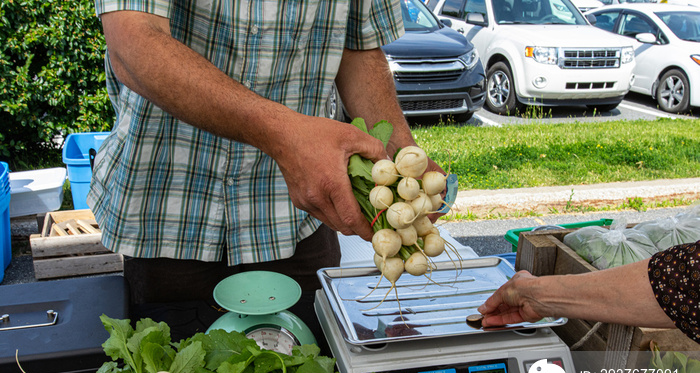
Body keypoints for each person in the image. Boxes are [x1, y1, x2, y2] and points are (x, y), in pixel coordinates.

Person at [88, 0, 445, 339]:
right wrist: (287, 138)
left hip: (297, 221)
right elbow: (133, 43)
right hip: (169, 216)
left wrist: (400, 153)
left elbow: (358, 48)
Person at [478, 241, 700, 343]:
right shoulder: (680, 281)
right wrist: (537, 295)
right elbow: (680, 286)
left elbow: (681, 285)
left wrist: (537, 295)